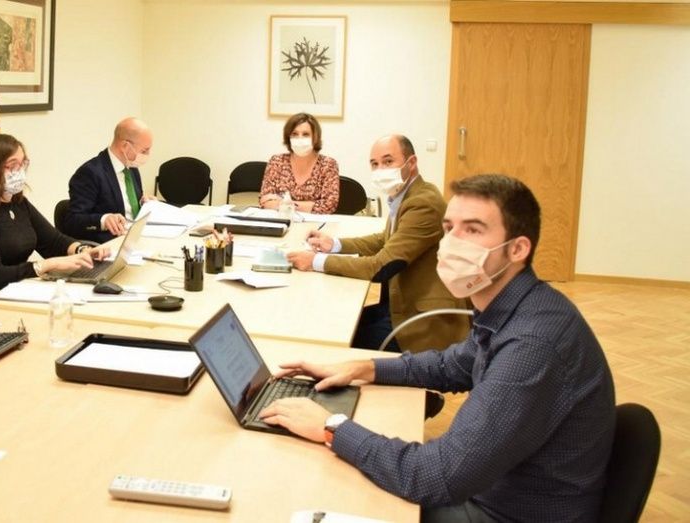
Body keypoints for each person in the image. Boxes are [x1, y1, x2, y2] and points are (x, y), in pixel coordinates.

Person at [262, 174, 616, 522]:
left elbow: (437, 477)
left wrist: (331, 426)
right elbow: (455, 364)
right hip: (493, 490)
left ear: (517, 249)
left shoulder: (532, 345)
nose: (451, 243)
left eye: (472, 230)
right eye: (449, 228)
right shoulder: (515, 305)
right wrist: (362, 368)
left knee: (324, 489)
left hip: (502, 512)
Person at [286, 134, 468, 351]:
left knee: (339, 339)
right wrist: (334, 244)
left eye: (388, 161)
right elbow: (384, 240)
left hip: (421, 320)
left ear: (411, 163)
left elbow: (380, 267)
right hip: (399, 302)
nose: (380, 169)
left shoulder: (423, 203)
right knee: (337, 318)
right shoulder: (408, 194)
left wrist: (316, 261)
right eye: (374, 164)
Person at [0, 133, 109, 305]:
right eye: (12, 166)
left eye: (22, 164)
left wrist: (82, 249)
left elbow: (53, 241)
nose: (19, 172)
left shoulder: (19, 204)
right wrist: (46, 266)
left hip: (15, 292)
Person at [62, 117, 153, 244]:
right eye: (144, 151)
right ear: (125, 146)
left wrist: (143, 203)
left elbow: (130, 207)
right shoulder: (90, 173)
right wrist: (104, 220)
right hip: (111, 244)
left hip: (137, 237)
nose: (147, 155)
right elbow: (72, 221)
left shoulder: (132, 168)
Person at [259, 113, 339, 214]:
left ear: (315, 138)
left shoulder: (328, 165)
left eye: (306, 134)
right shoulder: (276, 162)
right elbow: (265, 201)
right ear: (288, 137)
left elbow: (328, 206)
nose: (300, 139)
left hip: (314, 223)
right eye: (294, 134)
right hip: (281, 221)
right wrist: (309, 205)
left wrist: (285, 204)